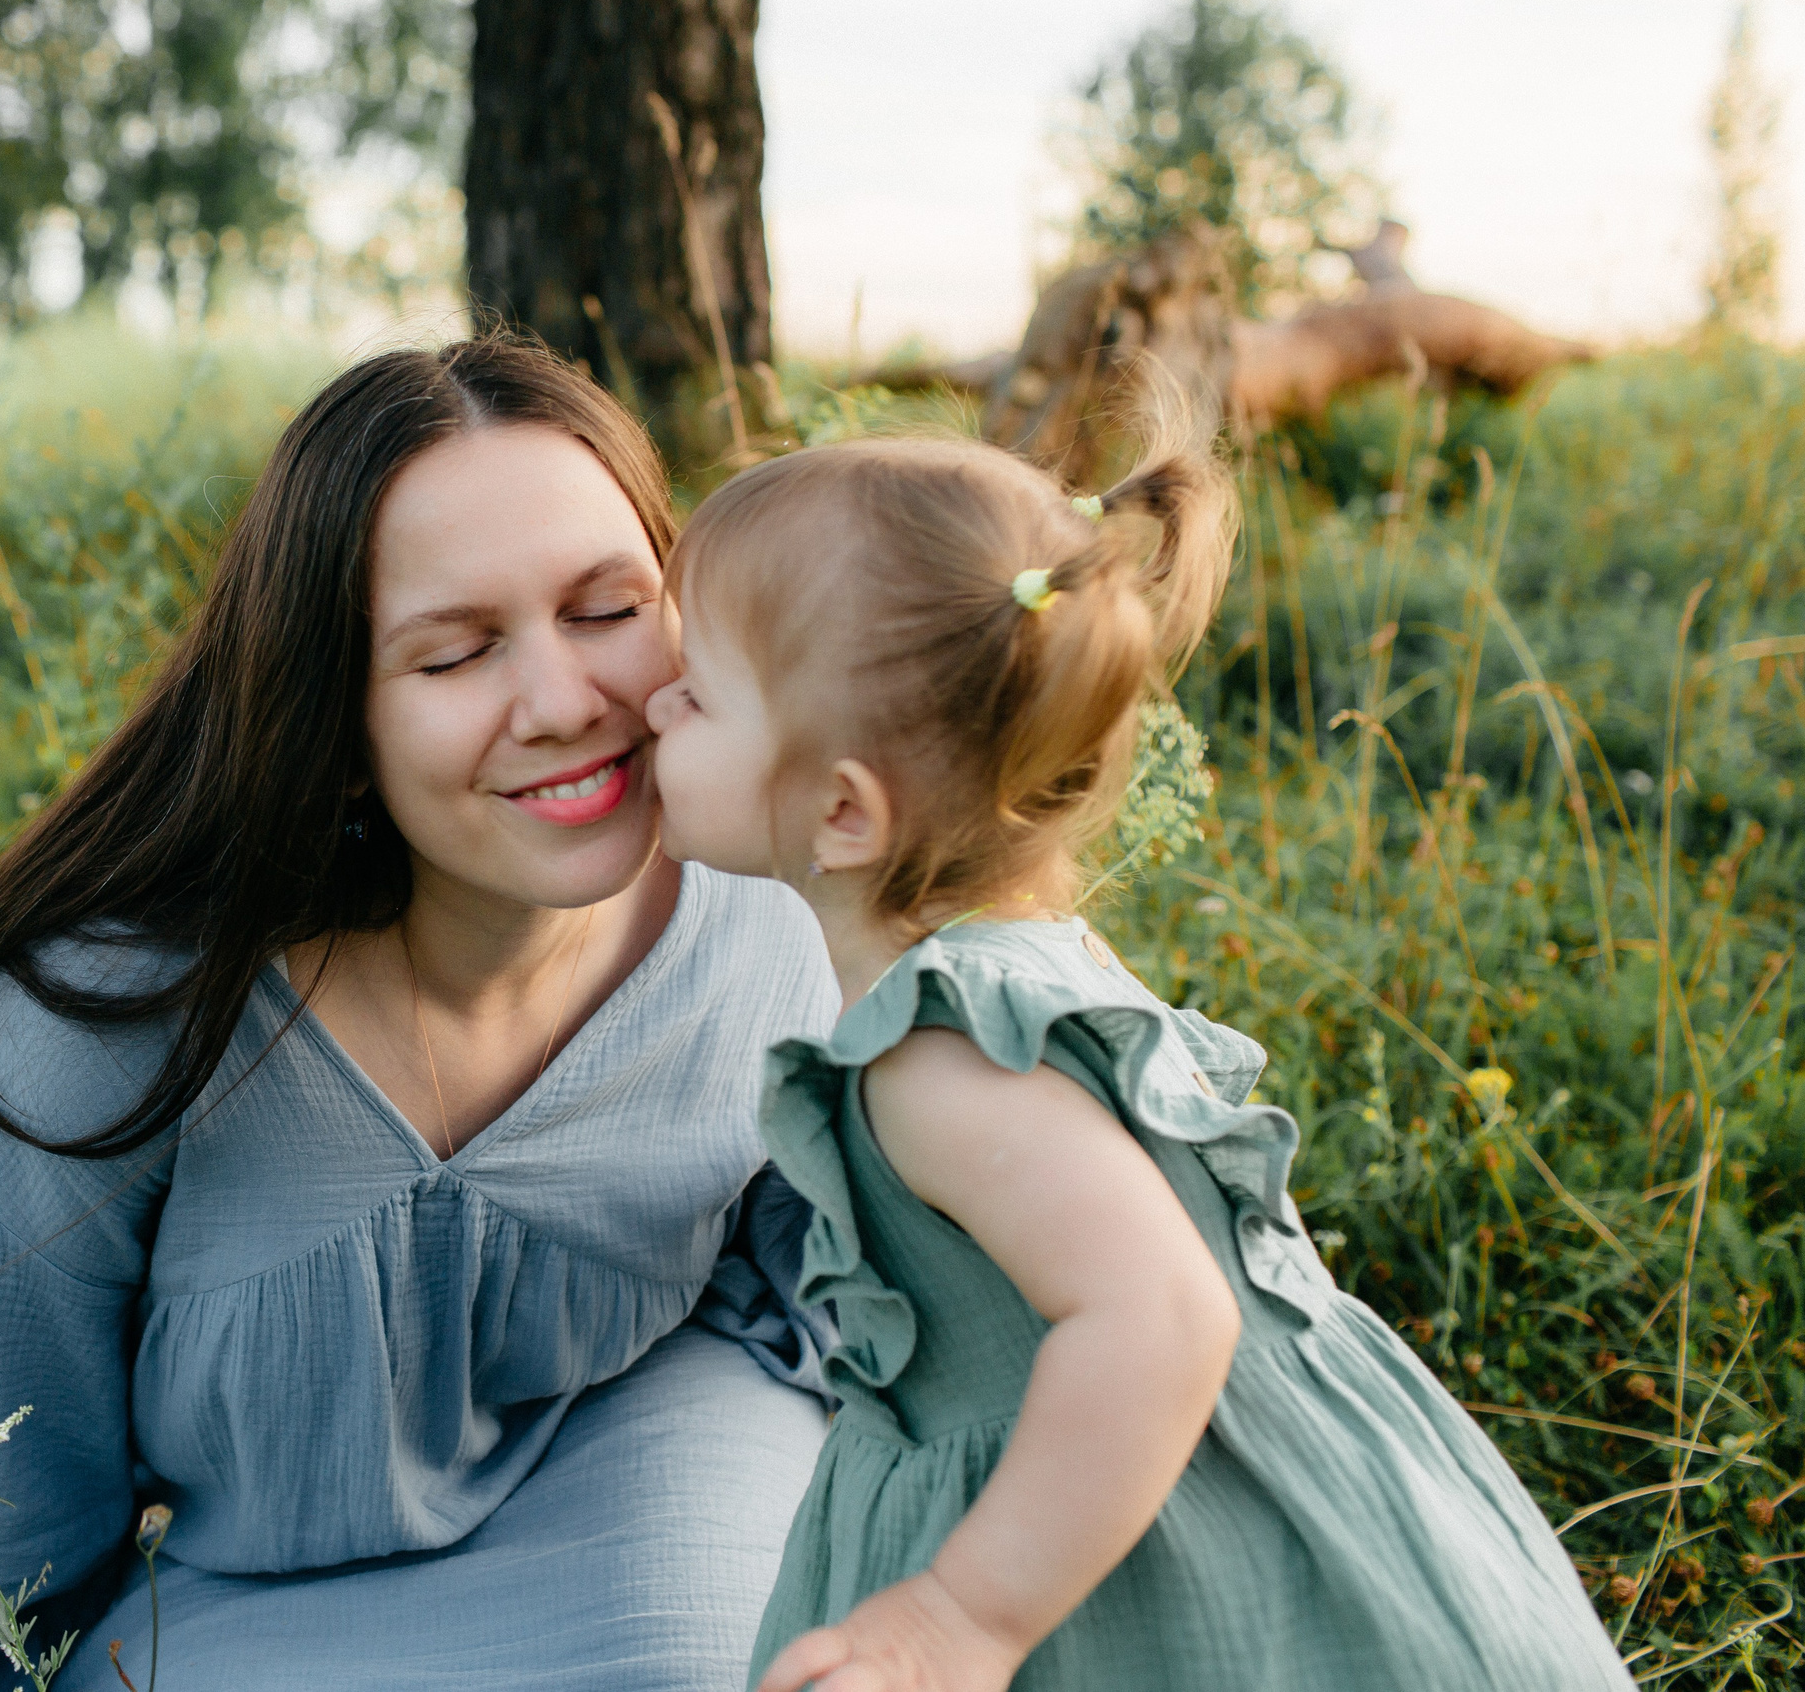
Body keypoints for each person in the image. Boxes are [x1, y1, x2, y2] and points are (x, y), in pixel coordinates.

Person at [0, 338, 839, 1691]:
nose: (565, 702)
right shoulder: (114, 1021)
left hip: (661, 1496)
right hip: (263, 1604)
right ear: (334, 711)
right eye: (457, 651)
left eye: (605, 610)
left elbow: (873, 1299)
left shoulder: (776, 911)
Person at [642, 420, 1636, 1692]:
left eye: (700, 691)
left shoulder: (938, 1060)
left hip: (1168, 1550)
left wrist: (962, 1614)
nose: (655, 699)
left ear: (843, 811)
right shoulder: (1014, 955)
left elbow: (1162, 1315)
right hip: (1166, 1479)